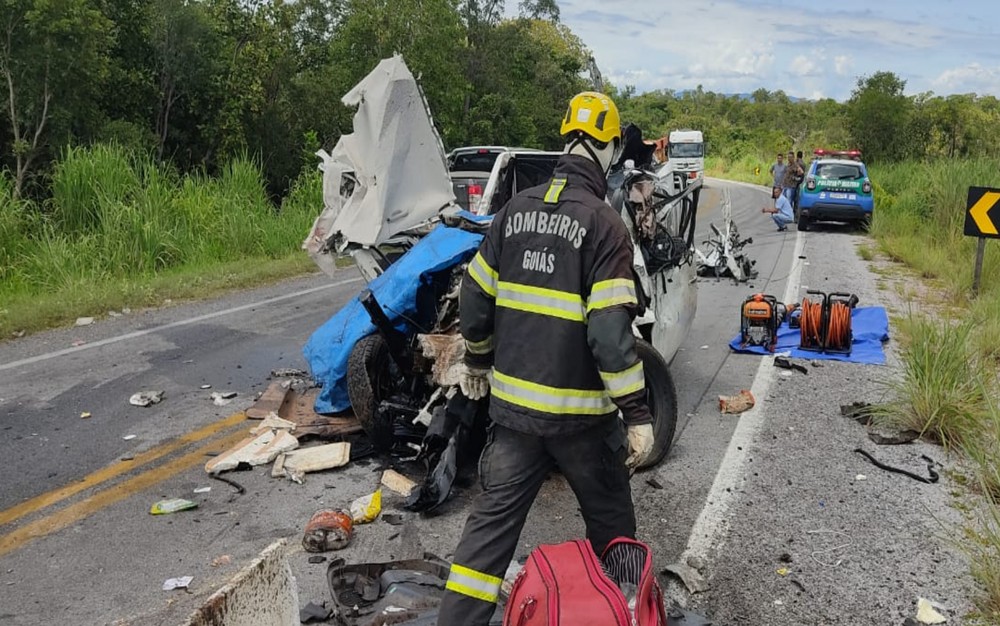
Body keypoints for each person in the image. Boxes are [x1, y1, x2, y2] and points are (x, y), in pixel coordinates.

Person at [438, 92, 655, 626]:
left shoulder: (513, 212)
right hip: (583, 422)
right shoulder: (605, 225)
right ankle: (621, 613)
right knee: (614, 534)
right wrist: (639, 416)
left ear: (565, 138)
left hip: (514, 419)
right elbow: (609, 335)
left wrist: (479, 363)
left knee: (487, 537)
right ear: (607, 148)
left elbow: (474, 298)